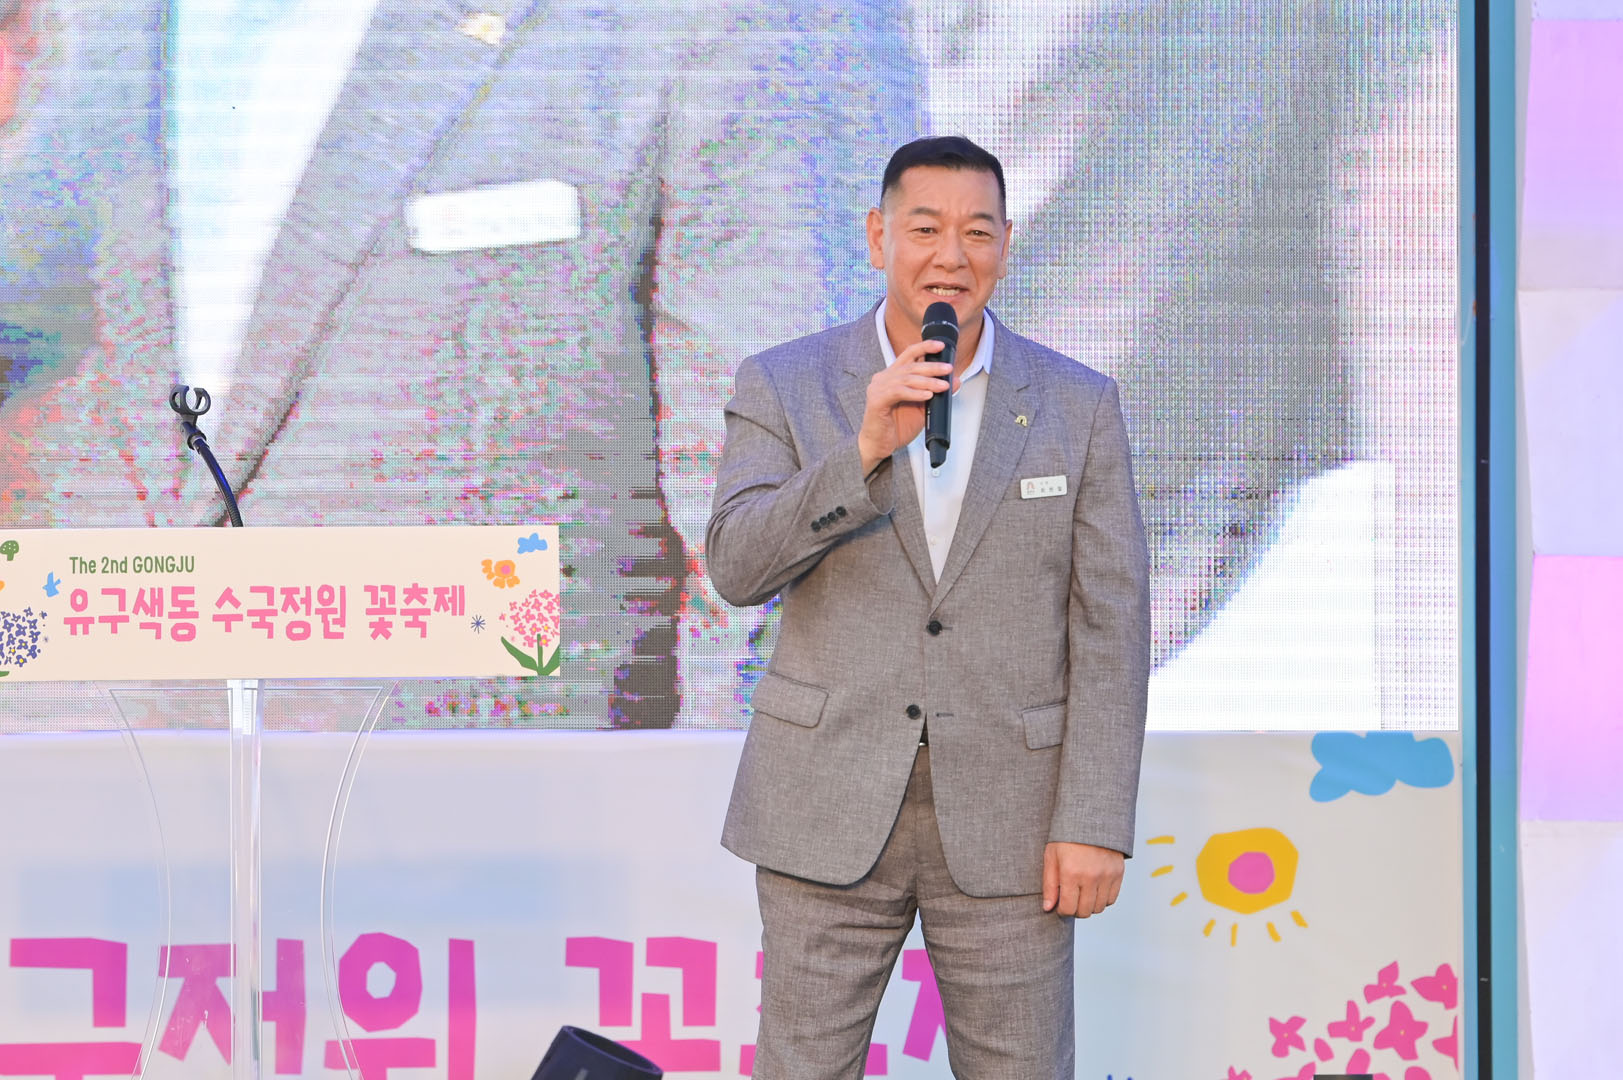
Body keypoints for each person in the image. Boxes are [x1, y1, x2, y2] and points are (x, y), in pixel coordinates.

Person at [0, 0, 914, 729]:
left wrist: (725, 872)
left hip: (514, 871)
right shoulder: (83, 30)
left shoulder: (732, 19)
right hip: (75, 865)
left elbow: (803, 551)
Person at [706, 136, 1152, 1077]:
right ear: (877, 237)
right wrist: (863, 450)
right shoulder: (784, 382)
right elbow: (737, 566)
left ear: (1005, 246)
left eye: (977, 232)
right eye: (924, 229)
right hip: (823, 805)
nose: (951, 255)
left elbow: (1110, 628)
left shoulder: (1077, 405)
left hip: (1011, 820)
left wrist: (1094, 819)